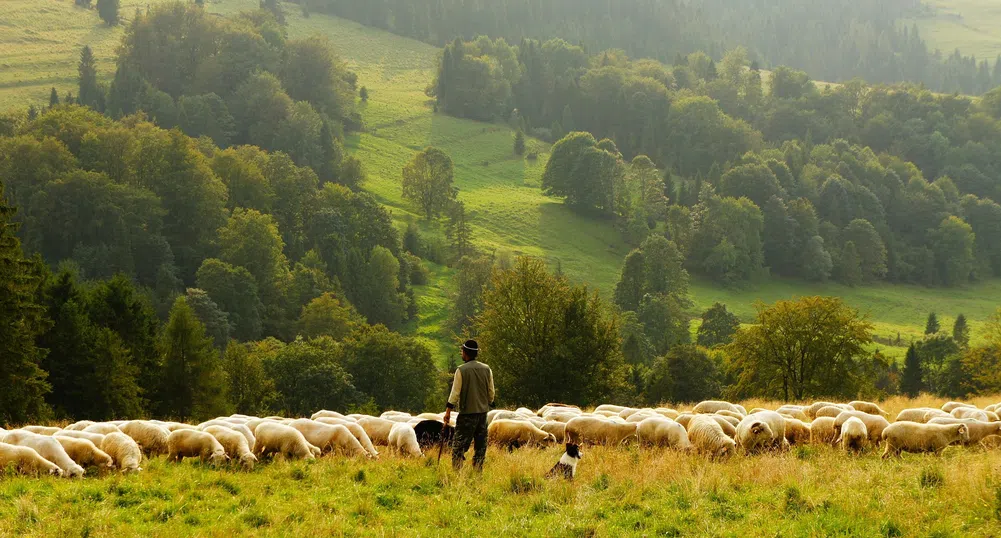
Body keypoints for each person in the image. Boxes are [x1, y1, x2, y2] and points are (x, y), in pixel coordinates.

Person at [444, 340, 495, 470]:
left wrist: (448, 411)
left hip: (467, 415)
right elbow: (491, 392)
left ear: (466, 353)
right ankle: (477, 472)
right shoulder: (486, 369)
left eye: (462, 351)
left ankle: (457, 473)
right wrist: (489, 402)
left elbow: (455, 393)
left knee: (458, 446)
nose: (461, 353)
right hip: (483, 414)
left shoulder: (461, 370)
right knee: (480, 447)